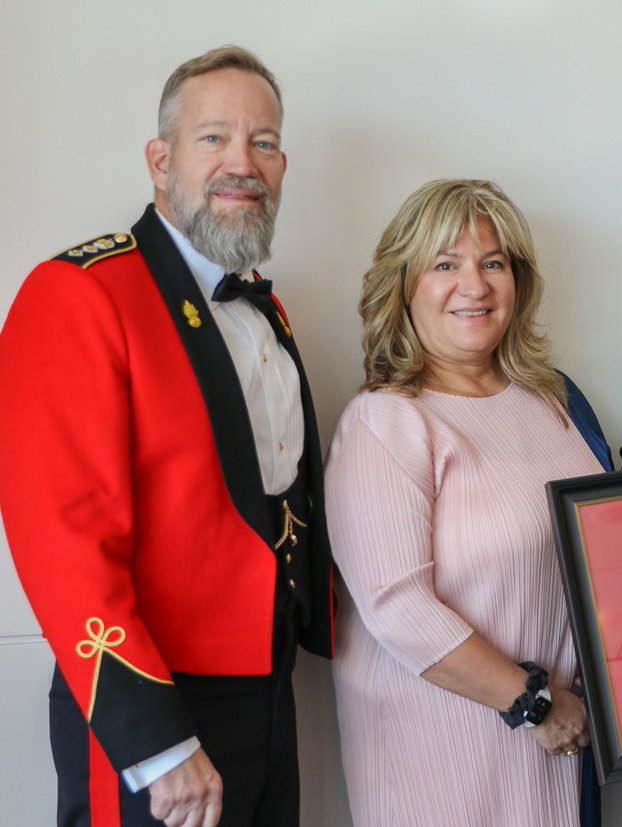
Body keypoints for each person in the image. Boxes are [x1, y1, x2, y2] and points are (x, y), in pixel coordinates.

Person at [0, 46, 333, 827]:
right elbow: (62, 539)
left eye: (265, 142)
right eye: (213, 137)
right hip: (156, 711)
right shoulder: (80, 293)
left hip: (271, 691)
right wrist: (156, 740)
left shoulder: (268, 312)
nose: (242, 164)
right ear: (161, 160)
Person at [325, 178, 611, 826]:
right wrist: (532, 702)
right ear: (404, 285)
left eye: (493, 263)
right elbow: (398, 606)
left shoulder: (554, 400)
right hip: (446, 752)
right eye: (446, 264)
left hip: (562, 748)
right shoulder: (387, 421)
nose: (475, 286)